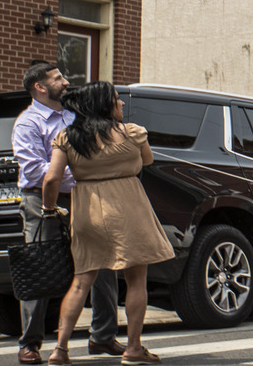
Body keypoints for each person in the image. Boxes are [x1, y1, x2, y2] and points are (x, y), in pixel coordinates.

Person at [42, 82, 175, 366]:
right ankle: (134, 349)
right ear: (105, 105)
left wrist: (49, 209)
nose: (122, 104)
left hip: (87, 209)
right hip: (128, 207)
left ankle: (60, 350)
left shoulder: (67, 137)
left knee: (81, 282)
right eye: (117, 100)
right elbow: (148, 161)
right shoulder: (133, 132)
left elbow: (51, 178)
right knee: (136, 280)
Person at [11, 63, 122, 366]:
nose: (66, 81)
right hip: (42, 199)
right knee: (41, 265)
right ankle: (30, 344)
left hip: (83, 197)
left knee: (102, 263)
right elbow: (35, 170)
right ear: (40, 88)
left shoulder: (75, 116)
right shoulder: (27, 123)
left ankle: (102, 336)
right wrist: (74, 171)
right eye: (58, 78)